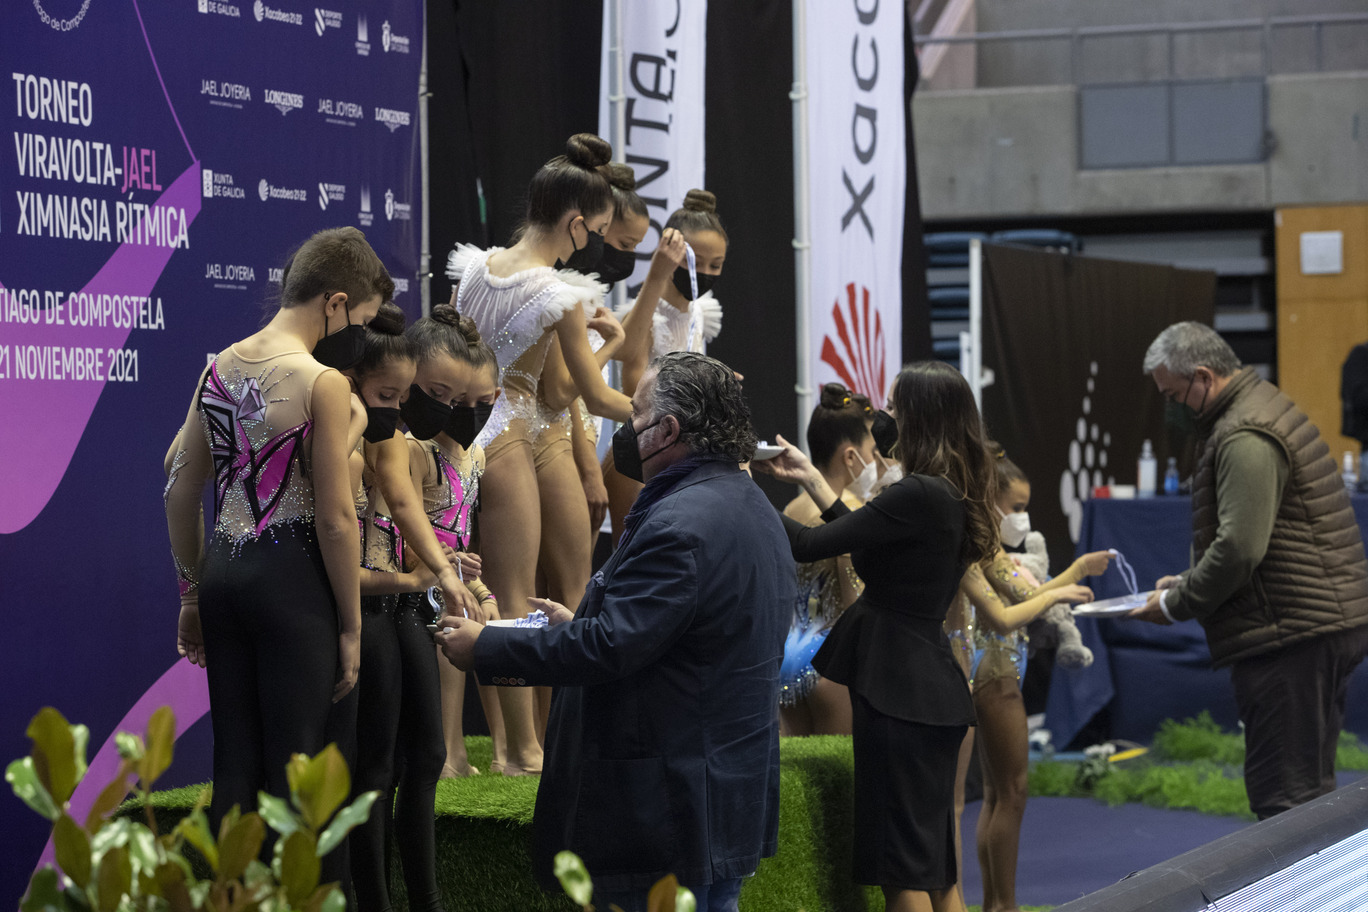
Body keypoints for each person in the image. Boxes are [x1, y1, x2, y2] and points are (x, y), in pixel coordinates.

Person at [436, 352, 792, 912]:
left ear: (668, 430)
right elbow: (678, 637)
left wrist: (488, 647)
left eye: (635, 417)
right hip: (720, 803)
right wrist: (581, 625)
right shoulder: (751, 506)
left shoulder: (680, 523)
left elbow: (609, 647)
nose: (625, 432)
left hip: (668, 813)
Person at [163, 227, 391, 877]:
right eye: (362, 322)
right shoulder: (321, 381)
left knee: (234, 768)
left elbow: (177, 485)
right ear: (335, 303)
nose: (359, 337)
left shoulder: (218, 368)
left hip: (225, 578)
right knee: (301, 775)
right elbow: (336, 519)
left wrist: (191, 593)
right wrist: (351, 626)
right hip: (293, 587)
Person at [757, 360, 998, 912]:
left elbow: (811, 543)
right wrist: (812, 479)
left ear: (919, 418)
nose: (884, 417)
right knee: (935, 871)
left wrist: (739, 489)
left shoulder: (917, 493)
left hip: (899, 693)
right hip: (927, 691)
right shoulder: (946, 493)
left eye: (893, 406)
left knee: (901, 874)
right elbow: (860, 537)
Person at [444, 133, 634, 774]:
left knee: (486, 589)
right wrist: (662, 413)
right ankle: (523, 749)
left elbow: (450, 342)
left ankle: (498, 745)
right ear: (575, 223)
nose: (597, 244)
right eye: (598, 232)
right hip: (507, 435)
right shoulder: (558, 295)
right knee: (514, 596)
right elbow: (594, 396)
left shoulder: (476, 268)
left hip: (467, 433)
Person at [1130, 321, 1368, 818]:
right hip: (1311, 624)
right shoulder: (1257, 408)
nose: (1172, 408)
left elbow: (1240, 548)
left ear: (1203, 376)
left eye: (1173, 395)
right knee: (1309, 793)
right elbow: (1268, 537)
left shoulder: (1244, 432)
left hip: (1290, 633)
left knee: (1285, 803)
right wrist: (1188, 580)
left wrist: (1176, 604)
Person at [952, 447, 1106, 912]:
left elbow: (1025, 594)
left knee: (996, 793)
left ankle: (996, 903)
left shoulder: (983, 544)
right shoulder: (979, 543)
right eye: (1016, 507)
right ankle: (1003, 905)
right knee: (1011, 792)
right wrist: (1068, 582)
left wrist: (1065, 582)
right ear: (990, 498)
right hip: (993, 666)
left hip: (985, 663)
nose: (1022, 517)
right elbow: (1012, 610)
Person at [600, 189, 722, 545]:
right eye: (697, 262)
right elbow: (634, 392)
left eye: (716, 265)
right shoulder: (645, 318)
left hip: (683, 452)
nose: (705, 273)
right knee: (634, 553)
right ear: (673, 255)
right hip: (640, 453)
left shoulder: (699, 314)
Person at [778, 383, 877, 736]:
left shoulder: (793, 508)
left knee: (796, 768)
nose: (877, 460)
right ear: (850, 456)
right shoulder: (853, 512)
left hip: (790, 654)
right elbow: (855, 603)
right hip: (832, 660)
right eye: (873, 450)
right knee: (841, 769)